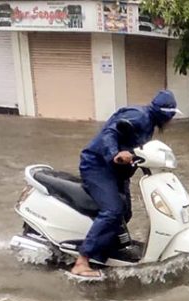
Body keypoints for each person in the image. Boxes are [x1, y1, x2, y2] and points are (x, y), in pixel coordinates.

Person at [70, 90, 182, 279]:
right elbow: (110, 132)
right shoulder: (138, 117)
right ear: (165, 114)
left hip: (117, 171)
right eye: (171, 116)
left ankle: (105, 250)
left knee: (125, 213)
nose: (171, 122)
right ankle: (82, 262)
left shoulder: (150, 124)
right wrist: (115, 153)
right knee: (113, 211)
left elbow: (139, 150)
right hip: (98, 166)